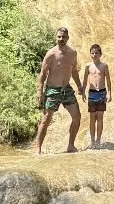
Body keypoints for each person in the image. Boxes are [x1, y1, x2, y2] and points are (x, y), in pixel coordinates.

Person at [33, 26, 85, 155]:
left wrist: (79, 86)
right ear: (56, 38)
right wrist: (39, 91)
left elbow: (74, 71)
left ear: (68, 38)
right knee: (46, 119)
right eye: (59, 37)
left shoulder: (73, 53)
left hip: (66, 89)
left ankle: (71, 145)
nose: (61, 39)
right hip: (52, 90)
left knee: (77, 117)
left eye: (63, 37)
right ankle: (38, 148)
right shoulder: (51, 54)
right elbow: (43, 73)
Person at [82, 42, 113, 149]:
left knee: (100, 117)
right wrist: (82, 92)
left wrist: (109, 93)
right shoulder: (88, 66)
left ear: (100, 54)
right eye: (92, 53)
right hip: (92, 93)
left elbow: (108, 80)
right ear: (90, 54)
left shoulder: (104, 66)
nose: (94, 55)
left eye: (96, 53)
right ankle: (92, 141)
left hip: (102, 93)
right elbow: (85, 80)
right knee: (92, 118)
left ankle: (98, 141)